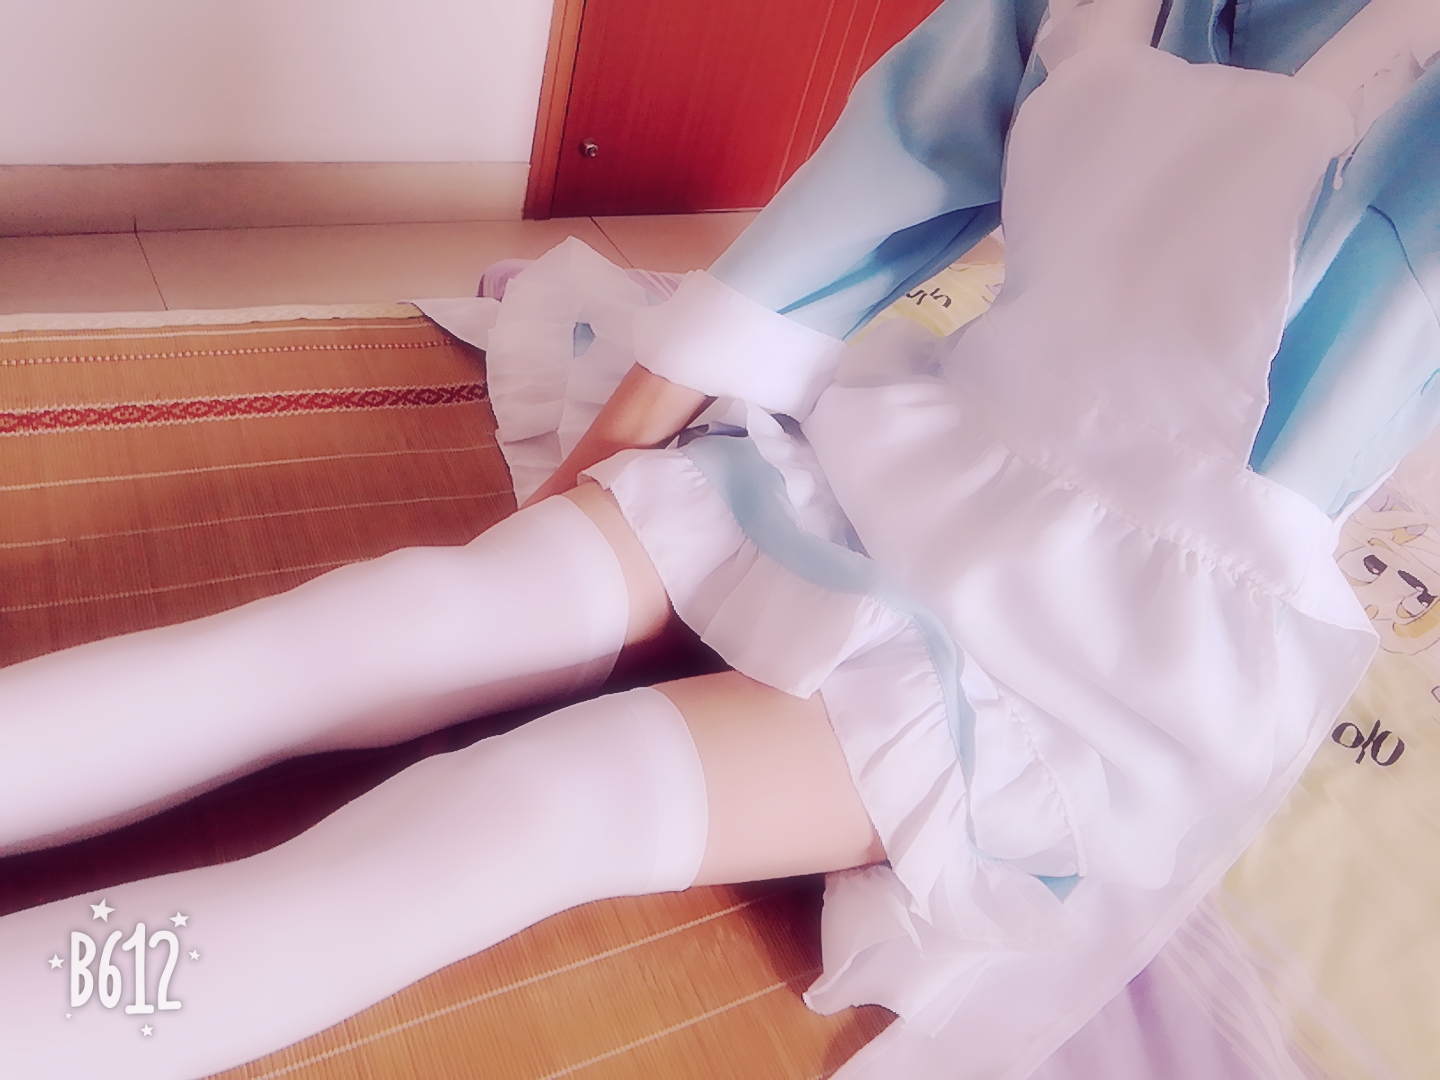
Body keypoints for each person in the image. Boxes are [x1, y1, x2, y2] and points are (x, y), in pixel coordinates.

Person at [0, 2, 1434, 1077]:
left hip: (1109, 653)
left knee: (540, 805)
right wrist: (638, 421)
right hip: (901, 456)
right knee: (384, 620)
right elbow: (901, 162)